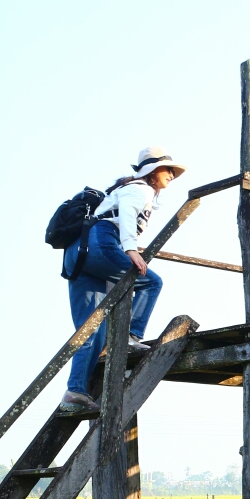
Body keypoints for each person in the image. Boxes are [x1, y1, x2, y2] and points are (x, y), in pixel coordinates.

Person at [59, 147, 184, 412]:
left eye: (173, 170)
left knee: (91, 327)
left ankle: (75, 392)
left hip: (78, 254)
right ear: (151, 171)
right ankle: (131, 334)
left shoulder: (126, 189)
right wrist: (130, 249)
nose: (172, 174)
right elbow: (126, 214)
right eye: (167, 169)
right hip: (100, 243)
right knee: (151, 282)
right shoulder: (141, 189)